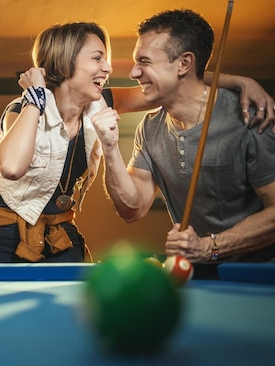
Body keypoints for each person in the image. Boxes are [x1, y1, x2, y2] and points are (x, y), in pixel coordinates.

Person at [0, 21, 274, 264]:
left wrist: (239, 81)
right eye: (98, 58)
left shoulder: (100, 102)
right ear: (66, 63)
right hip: (3, 232)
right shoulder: (22, 109)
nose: (108, 67)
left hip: (61, 234)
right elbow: (11, 166)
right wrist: (35, 98)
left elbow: (168, 83)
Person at [92, 9, 275, 263]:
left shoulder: (249, 117)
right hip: (195, 275)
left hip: (260, 281)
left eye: (144, 62)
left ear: (184, 63)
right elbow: (132, 209)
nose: (133, 73)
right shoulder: (149, 127)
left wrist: (210, 247)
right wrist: (110, 150)